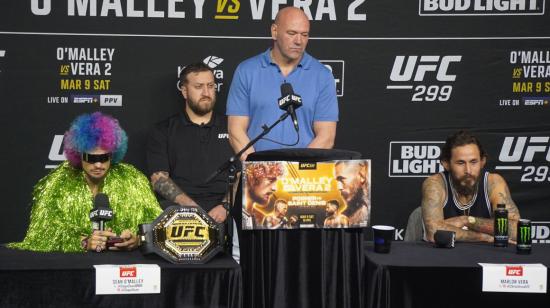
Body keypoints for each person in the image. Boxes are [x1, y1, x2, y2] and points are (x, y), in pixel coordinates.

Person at [8, 112, 162, 253]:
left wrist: (138, 240)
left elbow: (159, 226)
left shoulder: (133, 179)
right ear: (78, 155)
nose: (98, 165)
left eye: (103, 158)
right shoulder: (58, 182)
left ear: (112, 155)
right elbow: (42, 232)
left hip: (120, 268)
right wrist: (83, 242)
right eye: (91, 158)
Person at [226, 6, 338, 159]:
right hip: (258, 177)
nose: (299, 41)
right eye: (291, 33)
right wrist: (259, 169)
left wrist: (294, 174)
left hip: (304, 177)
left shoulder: (322, 76)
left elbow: (326, 136)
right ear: (274, 31)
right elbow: (236, 130)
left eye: (304, 35)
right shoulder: (246, 71)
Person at [147, 62, 234, 223]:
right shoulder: (163, 130)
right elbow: (159, 180)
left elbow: (245, 174)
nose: (206, 92)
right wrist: (191, 208)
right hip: (182, 211)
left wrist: (226, 205)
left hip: (227, 210)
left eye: (210, 86)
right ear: (185, 91)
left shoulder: (234, 126)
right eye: (199, 87)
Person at [421, 131, 521, 242]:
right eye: (460, 163)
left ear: (482, 162)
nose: (468, 170)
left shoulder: (494, 183)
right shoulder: (435, 184)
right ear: (446, 164)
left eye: (473, 162)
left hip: (486, 255)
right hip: (443, 255)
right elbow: (433, 233)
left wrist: (467, 220)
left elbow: (517, 231)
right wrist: (483, 237)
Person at [243, 162, 284, 228]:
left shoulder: (261, 217)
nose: (275, 188)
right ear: (251, 179)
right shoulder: (236, 210)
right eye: (270, 180)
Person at [334, 160, 370, 226]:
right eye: (337, 181)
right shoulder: (343, 217)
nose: (339, 187)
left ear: (362, 174)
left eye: (342, 179)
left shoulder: (368, 212)